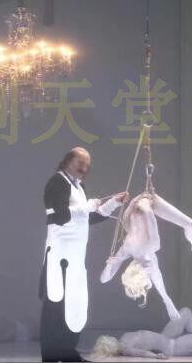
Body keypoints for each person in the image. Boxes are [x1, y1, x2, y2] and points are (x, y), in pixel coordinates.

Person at [40, 146, 128, 362]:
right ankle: (51, 356)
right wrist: (87, 207)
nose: (84, 168)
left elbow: (86, 219)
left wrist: (112, 204)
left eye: (87, 165)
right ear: (67, 161)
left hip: (76, 259)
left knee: (74, 306)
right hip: (59, 257)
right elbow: (61, 215)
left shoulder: (79, 187)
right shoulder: (57, 182)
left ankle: (67, 351)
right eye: (81, 162)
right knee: (55, 307)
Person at [100, 191, 192, 320]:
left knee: (156, 274)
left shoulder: (128, 249)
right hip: (148, 203)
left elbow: (104, 279)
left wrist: (109, 265)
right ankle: (167, 300)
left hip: (139, 206)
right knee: (190, 224)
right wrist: (145, 206)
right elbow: (150, 216)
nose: (148, 270)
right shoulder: (151, 247)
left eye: (145, 272)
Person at [92, 307, 192, 361]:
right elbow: (142, 353)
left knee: (185, 311)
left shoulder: (123, 338)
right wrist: (158, 357)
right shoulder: (126, 348)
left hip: (165, 336)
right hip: (172, 346)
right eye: (108, 340)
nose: (110, 338)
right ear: (110, 346)